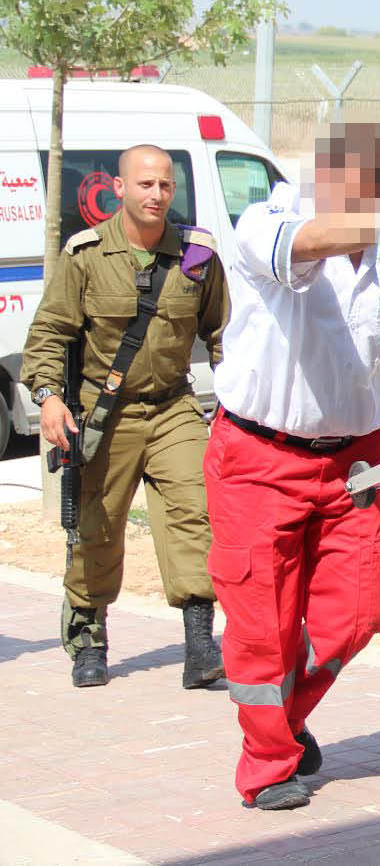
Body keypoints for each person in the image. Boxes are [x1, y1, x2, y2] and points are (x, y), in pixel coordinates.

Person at [204, 122, 380, 811]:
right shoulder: (270, 218)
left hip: (352, 463)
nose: (372, 199)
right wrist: (363, 224)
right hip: (260, 458)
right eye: (359, 183)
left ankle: (283, 717)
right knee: (263, 620)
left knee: (356, 611)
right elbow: (306, 246)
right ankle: (266, 762)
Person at [21, 144, 227, 689]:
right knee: (98, 525)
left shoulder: (197, 254)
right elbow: (49, 334)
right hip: (103, 414)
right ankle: (89, 637)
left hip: (174, 406)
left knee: (195, 512)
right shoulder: (85, 255)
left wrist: (235, 397)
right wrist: (49, 398)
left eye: (164, 185)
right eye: (145, 185)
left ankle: (200, 643)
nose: (156, 195)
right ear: (119, 188)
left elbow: (224, 330)